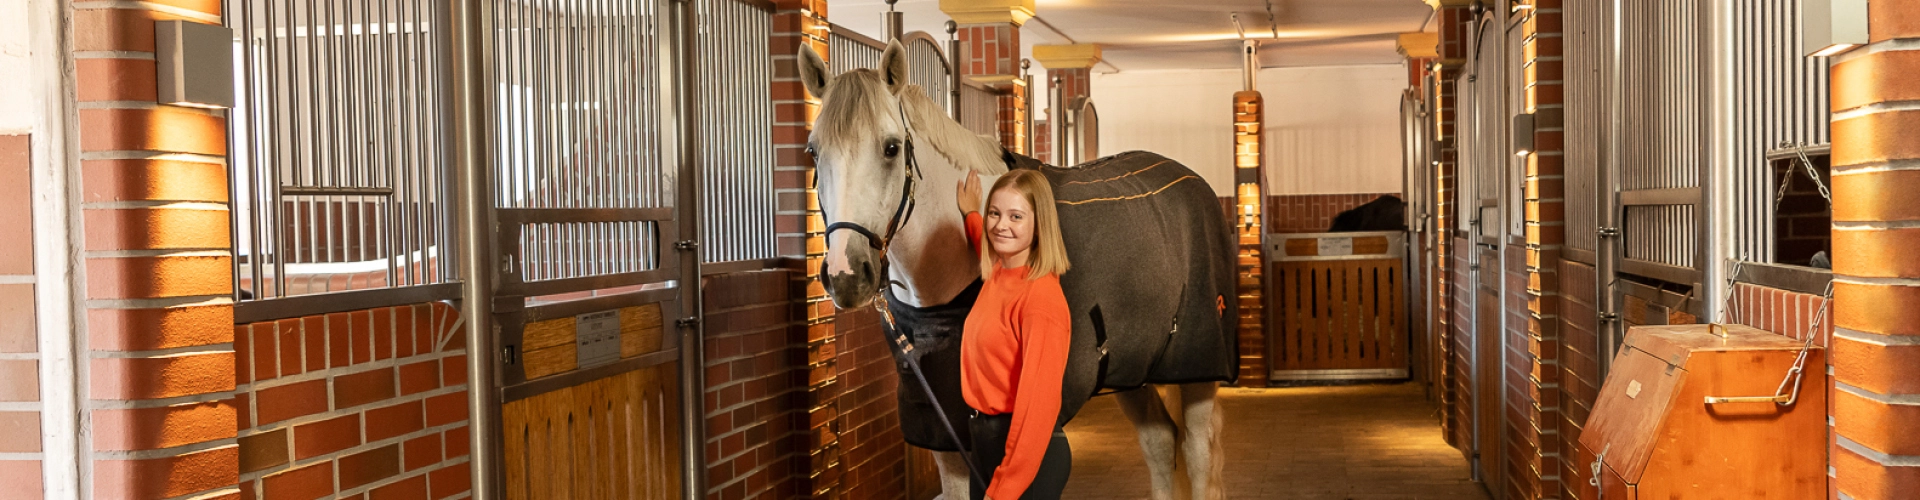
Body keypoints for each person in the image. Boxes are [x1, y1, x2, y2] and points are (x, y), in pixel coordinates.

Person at [954, 169, 1073, 500]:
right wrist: (972, 214)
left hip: (1026, 454)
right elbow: (986, 238)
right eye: (995, 213)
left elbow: (1038, 406)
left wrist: (1006, 487)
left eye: (1015, 216)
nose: (1000, 225)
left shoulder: (1040, 300)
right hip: (987, 444)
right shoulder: (999, 271)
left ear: (1039, 226)